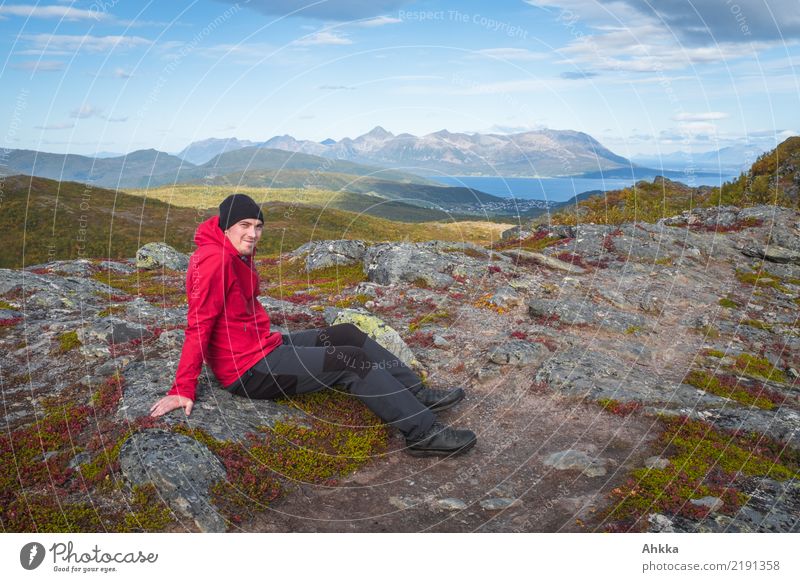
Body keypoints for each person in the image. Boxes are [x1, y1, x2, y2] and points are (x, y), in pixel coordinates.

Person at [149, 193, 477, 457]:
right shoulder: (216, 261)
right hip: (248, 371)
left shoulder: (228, 251)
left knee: (348, 332)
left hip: (262, 346)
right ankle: (422, 433)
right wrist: (182, 388)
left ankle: (415, 393)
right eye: (245, 225)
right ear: (225, 225)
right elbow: (198, 325)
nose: (253, 233)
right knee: (352, 361)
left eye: (258, 226)